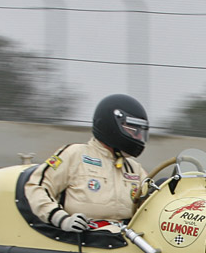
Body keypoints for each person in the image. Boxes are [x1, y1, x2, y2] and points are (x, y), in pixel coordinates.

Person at [25, 94, 150, 232]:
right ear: (110, 124)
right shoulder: (74, 154)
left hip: (124, 241)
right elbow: (36, 187)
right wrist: (61, 219)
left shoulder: (135, 169)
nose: (138, 137)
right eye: (133, 130)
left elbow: (152, 205)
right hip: (82, 241)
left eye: (140, 131)